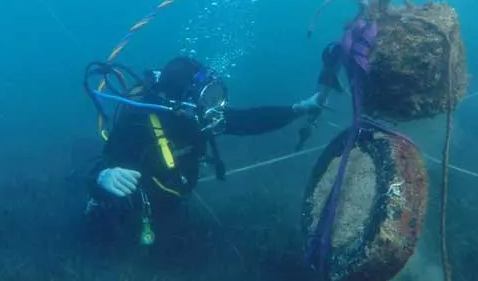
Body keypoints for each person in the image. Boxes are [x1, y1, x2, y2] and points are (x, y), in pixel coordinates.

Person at [83, 56, 323, 245]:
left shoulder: (200, 117)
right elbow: (103, 164)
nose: (212, 106)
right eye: (205, 98)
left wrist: (297, 109)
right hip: (137, 206)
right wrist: (103, 178)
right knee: (102, 231)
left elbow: (250, 120)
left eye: (213, 96)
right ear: (179, 101)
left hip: (172, 200)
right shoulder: (137, 123)